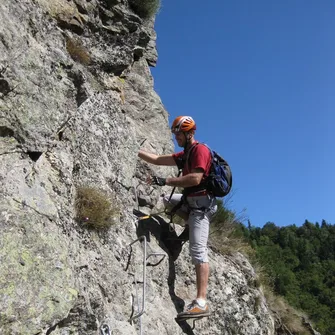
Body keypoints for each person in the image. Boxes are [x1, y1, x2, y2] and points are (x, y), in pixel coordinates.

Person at [138, 116, 217, 318]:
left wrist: (166, 180)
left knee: (198, 250)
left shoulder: (200, 150)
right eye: (175, 134)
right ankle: (189, 226)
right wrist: (134, 151)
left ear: (189, 133)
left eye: (178, 134)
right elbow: (156, 159)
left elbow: (195, 178)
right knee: (166, 199)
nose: (176, 137)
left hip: (201, 208)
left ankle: (201, 302)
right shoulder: (185, 154)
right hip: (191, 203)